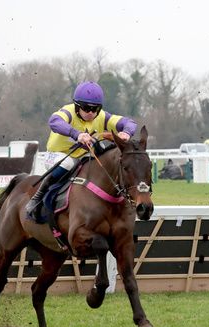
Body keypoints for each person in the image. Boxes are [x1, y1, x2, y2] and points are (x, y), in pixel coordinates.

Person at [26, 81, 137, 222]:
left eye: (95, 109)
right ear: (77, 106)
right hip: (59, 154)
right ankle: (37, 198)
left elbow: (130, 123)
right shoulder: (68, 112)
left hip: (84, 155)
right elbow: (54, 121)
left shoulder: (102, 116)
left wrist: (126, 133)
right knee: (68, 164)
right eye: (86, 108)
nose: (91, 113)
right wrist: (76, 134)